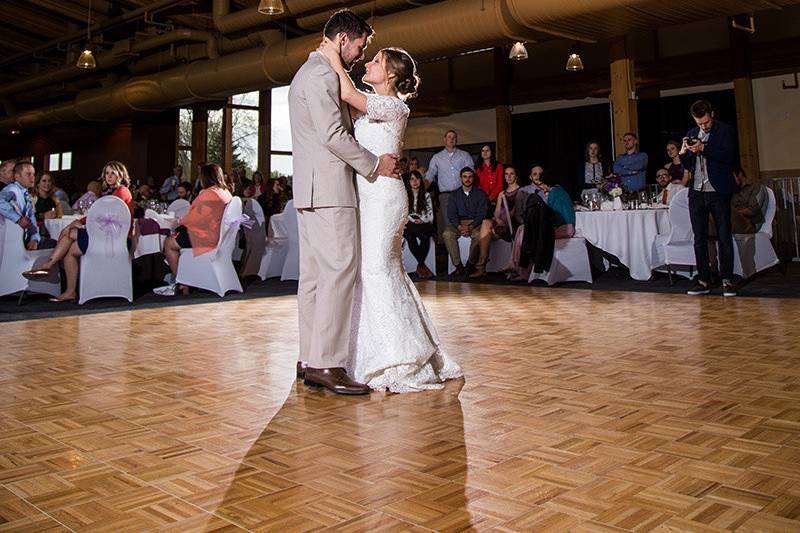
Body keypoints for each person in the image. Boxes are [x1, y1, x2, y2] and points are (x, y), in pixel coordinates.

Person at [319, 18, 462, 393]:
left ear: (391, 76)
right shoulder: (374, 107)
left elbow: (349, 96)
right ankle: (375, 350)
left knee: (377, 270)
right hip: (367, 194)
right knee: (375, 271)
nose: (368, 63)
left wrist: (332, 57)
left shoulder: (394, 107)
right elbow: (345, 109)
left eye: (376, 61)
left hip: (384, 196)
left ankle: (399, 356)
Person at [289, 9, 403, 395]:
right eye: (360, 45)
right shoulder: (321, 73)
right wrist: (373, 165)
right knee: (339, 272)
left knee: (316, 278)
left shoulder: (308, 72)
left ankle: (309, 357)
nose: (359, 54)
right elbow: (334, 135)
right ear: (343, 40)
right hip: (330, 192)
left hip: (310, 191)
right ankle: (329, 364)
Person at [22, 161, 134, 303]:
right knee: (70, 251)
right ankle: (70, 291)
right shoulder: (112, 193)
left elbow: (101, 214)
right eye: (106, 173)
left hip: (115, 240)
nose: (109, 176)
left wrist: (79, 222)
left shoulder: (121, 191)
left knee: (69, 232)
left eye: (113, 173)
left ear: (120, 174)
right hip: (105, 237)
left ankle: (49, 265)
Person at [679, 99, 737, 297]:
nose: (702, 126)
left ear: (712, 113)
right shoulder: (692, 133)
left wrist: (704, 148)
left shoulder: (725, 131)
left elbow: (728, 156)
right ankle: (703, 279)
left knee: (723, 236)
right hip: (697, 191)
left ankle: (727, 280)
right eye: (699, 123)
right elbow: (687, 165)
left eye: (705, 122)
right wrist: (684, 152)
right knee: (699, 239)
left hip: (718, 191)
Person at [153, 164, 233, 296]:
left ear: (205, 177)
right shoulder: (226, 193)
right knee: (177, 236)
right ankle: (187, 280)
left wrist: (179, 223)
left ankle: (182, 282)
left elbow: (192, 218)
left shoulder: (208, 193)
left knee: (168, 243)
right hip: (220, 237)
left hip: (205, 238)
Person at [471, 165, 526, 278]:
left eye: (511, 174)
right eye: (506, 174)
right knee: (486, 222)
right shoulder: (502, 193)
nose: (509, 176)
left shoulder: (522, 191)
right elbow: (496, 212)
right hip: (501, 224)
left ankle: (482, 265)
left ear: (516, 176)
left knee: (487, 231)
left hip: (513, 225)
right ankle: (483, 263)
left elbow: (516, 213)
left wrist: (504, 219)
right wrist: (497, 219)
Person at [425, 130, 474, 238]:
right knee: (449, 225)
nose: (451, 139)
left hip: (463, 194)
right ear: (444, 140)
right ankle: (450, 253)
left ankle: (465, 252)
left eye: (454, 137)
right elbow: (429, 176)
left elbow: (471, 173)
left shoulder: (465, 155)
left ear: (456, 140)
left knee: (465, 221)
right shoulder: (437, 158)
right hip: (445, 196)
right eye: (449, 137)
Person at [442, 167, 488, 277]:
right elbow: (451, 214)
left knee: (478, 236)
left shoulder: (480, 194)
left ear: (473, 179)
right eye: (465, 177)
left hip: (475, 223)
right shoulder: (454, 195)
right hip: (458, 223)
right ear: (461, 178)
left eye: (470, 177)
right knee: (447, 234)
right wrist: (459, 227)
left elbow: (482, 214)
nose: (467, 179)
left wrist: (471, 226)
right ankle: (458, 266)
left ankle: (470, 265)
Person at [0, 161, 40, 250]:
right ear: (17, 177)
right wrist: (18, 219)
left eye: (33, 174)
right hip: (8, 240)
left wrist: (34, 238)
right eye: (28, 174)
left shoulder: (27, 195)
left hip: (22, 239)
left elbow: (32, 218)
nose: (32, 177)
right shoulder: (12, 190)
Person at [403, 170, 435, 279]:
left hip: (423, 224)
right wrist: (413, 219)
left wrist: (422, 219)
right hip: (410, 223)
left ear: (421, 181)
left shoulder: (426, 195)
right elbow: (403, 213)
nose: (415, 182)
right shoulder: (405, 195)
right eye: (412, 179)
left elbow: (430, 215)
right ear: (409, 182)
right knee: (410, 236)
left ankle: (420, 265)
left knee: (425, 236)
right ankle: (422, 265)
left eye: (417, 179)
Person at [730, 167, 768, 234]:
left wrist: (736, 212)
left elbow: (752, 210)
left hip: (751, 223)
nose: (731, 181)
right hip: (736, 221)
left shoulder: (756, 187)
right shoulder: (734, 191)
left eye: (732, 177)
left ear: (740, 175)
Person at [30, 172, 63, 239]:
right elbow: (28, 216)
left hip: (52, 231)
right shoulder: (32, 198)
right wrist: (43, 215)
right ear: (38, 183)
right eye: (44, 181)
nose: (47, 184)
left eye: (49, 181)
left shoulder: (54, 200)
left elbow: (60, 216)